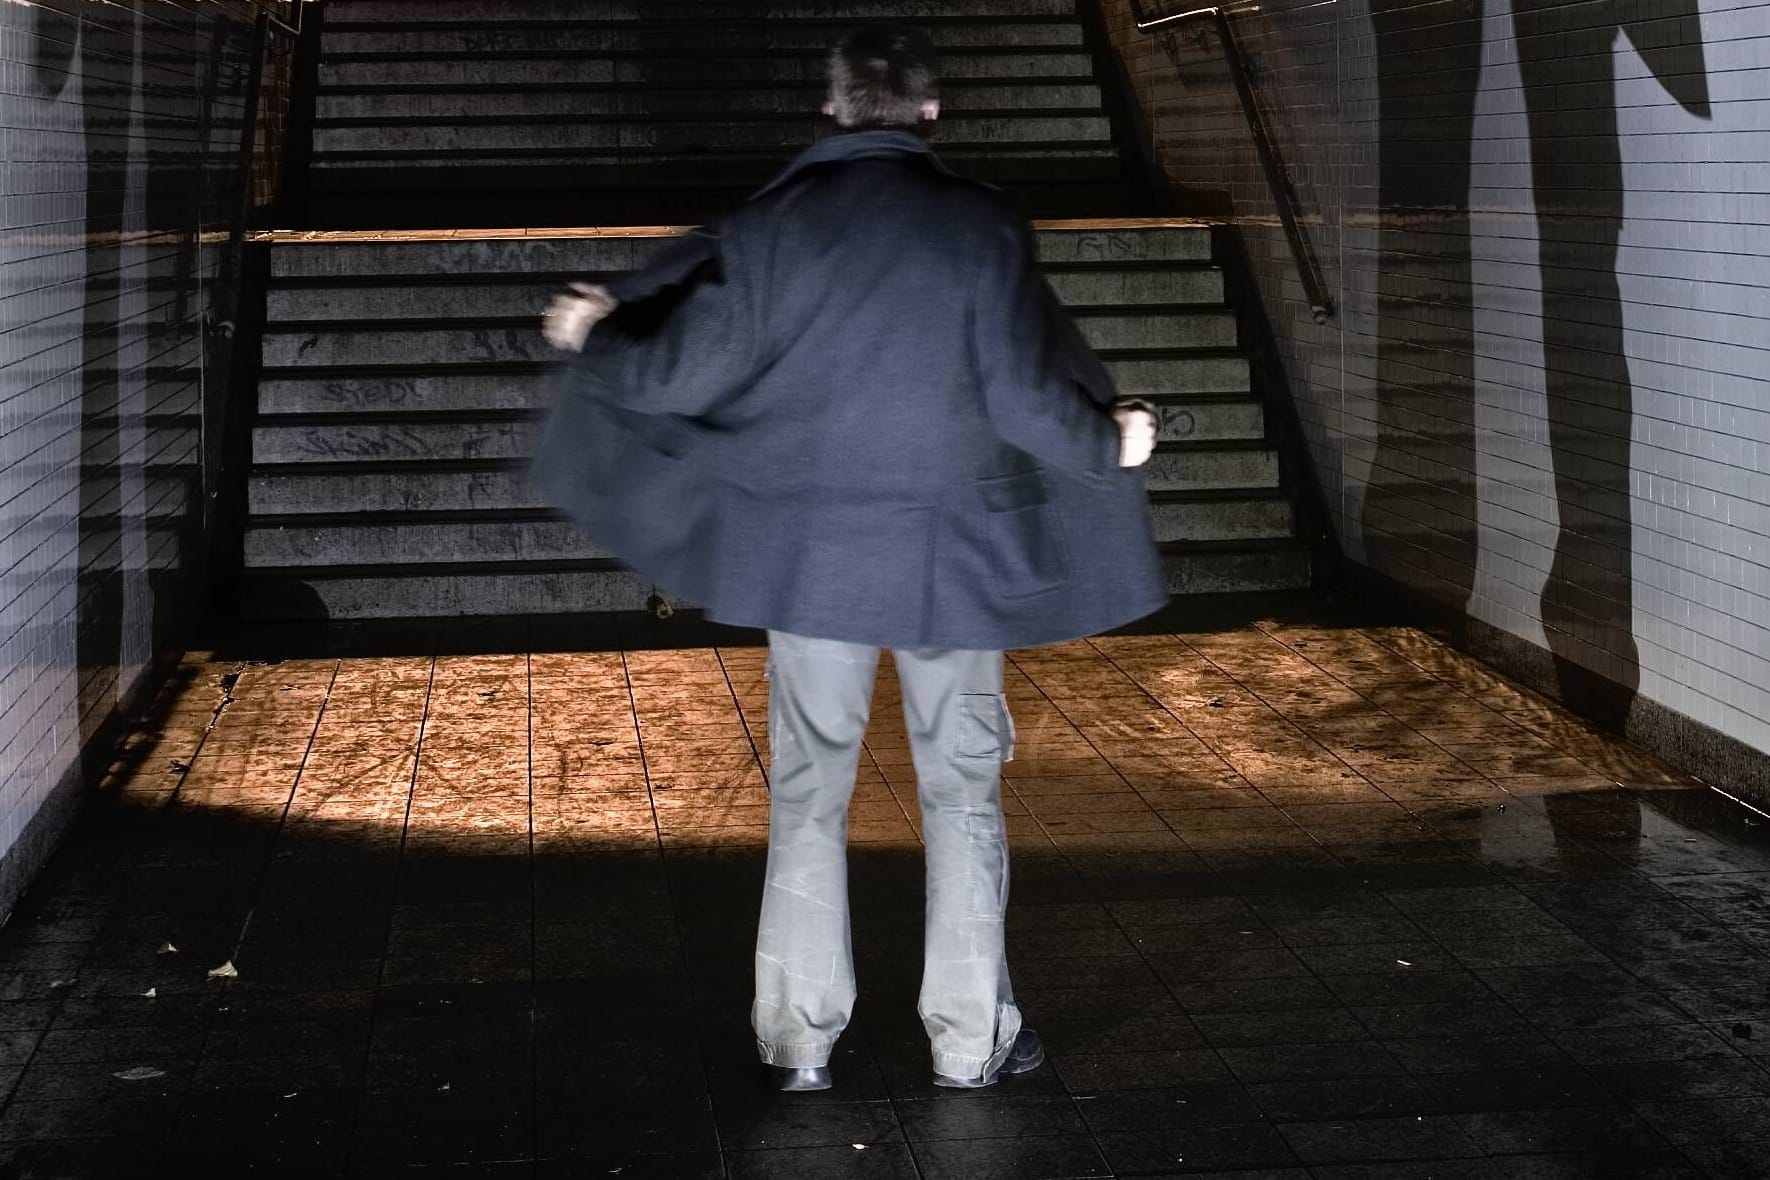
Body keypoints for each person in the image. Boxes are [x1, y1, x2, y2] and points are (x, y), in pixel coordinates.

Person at [536, 24, 1166, 1092]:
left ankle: (798, 1044)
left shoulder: (780, 225)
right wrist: (1114, 439)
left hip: (813, 561)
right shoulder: (978, 227)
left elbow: (690, 366)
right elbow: (1022, 395)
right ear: (930, 113)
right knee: (961, 795)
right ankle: (972, 1044)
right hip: (953, 564)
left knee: (808, 793)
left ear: (829, 111)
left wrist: (601, 332)